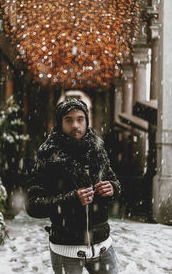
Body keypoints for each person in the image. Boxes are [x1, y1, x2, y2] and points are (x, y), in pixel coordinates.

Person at [26, 98, 121, 274]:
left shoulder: (97, 150)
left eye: (80, 119)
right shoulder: (47, 155)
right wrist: (71, 199)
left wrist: (113, 188)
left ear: (87, 120)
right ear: (60, 123)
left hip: (103, 246)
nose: (75, 125)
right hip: (66, 250)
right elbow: (33, 205)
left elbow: (113, 180)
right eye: (69, 120)